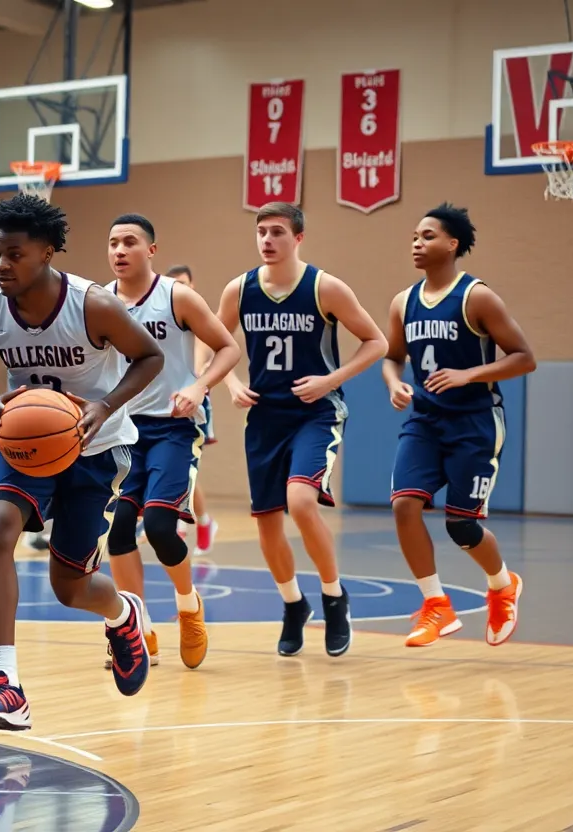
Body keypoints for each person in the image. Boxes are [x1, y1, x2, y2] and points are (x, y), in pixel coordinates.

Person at [0, 193, 164, 732]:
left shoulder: (93, 304)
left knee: (70, 587)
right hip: (26, 440)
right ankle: (7, 686)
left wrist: (103, 404)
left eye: (16, 255)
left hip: (95, 448)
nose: (3, 264)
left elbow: (151, 356)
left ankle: (123, 614)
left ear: (48, 253)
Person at [216, 202, 387, 658]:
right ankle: (294, 604)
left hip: (317, 412)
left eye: (277, 232)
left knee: (301, 500)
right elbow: (210, 341)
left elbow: (377, 342)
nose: (267, 240)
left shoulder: (324, 287)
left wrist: (331, 380)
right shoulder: (240, 289)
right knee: (267, 525)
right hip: (265, 416)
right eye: (261, 232)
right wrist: (230, 382)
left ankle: (334, 598)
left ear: (298, 238)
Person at [384, 203, 533, 647]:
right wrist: (395, 383)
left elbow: (525, 357)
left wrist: (469, 374)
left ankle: (503, 585)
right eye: (414, 236)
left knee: (460, 526)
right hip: (425, 420)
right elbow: (393, 357)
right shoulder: (403, 301)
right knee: (403, 505)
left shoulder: (477, 297)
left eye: (427, 236)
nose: (417, 243)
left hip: (475, 422)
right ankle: (436, 606)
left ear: (452, 244)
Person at [103, 216, 240, 671]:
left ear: (151, 250)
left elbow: (228, 348)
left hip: (172, 427)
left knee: (160, 527)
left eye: (129, 242)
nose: (120, 250)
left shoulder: (176, 296)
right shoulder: (99, 303)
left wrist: (200, 386)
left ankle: (189, 608)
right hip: (120, 432)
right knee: (119, 533)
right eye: (113, 243)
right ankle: (136, 631)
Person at [165, 264, 221, 554]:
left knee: (186, 466)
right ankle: (201, 520)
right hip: (163, 402)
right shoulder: (162, 318)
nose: (181, 288)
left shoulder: (198, 317)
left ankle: (183, 519)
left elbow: (201, 357)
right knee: (181, 467)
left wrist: (195, 377)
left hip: (193, 402)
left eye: (184, 283)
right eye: (174, 283)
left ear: (193, 285)